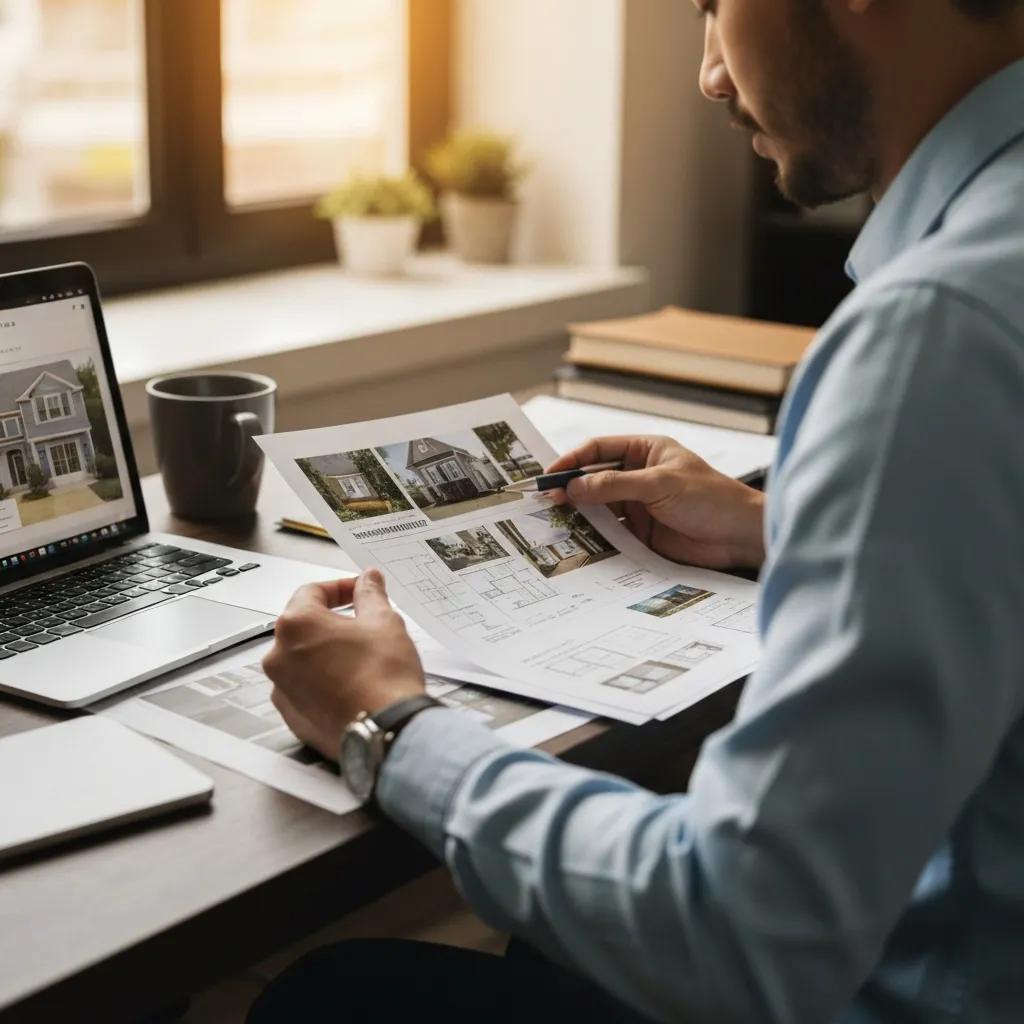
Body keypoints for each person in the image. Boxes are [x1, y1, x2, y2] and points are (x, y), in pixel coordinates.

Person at [250, 0, 1024, 1020]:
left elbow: (741, 934)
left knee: (332, 998)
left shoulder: (936, 332)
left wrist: (386, 727)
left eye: (712, 7)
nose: (710, 73)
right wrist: (772, 526)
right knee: (550, 937)